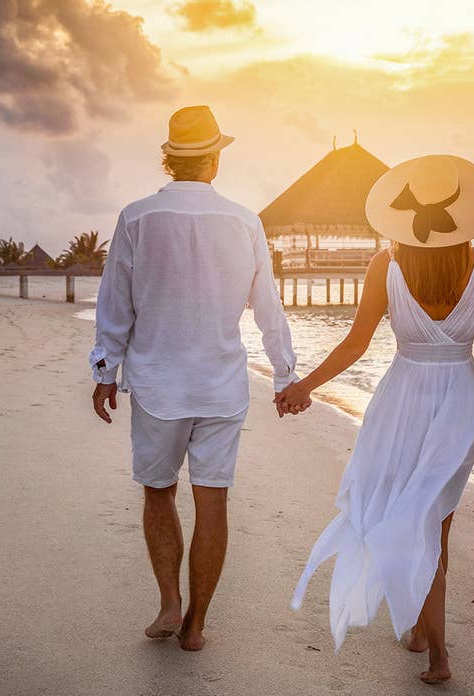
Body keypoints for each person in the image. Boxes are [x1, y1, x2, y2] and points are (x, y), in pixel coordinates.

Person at [278, 154, 474, 684]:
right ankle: (425, 633)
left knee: (414, 518)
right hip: (459, 399)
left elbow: (357, 343)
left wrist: (302, 387)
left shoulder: (388, 264)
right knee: (435, 518)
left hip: (402, 400)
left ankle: (439, 653)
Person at [89, 105, 300, 651]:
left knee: (159, 494)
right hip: (222, 387)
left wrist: (104, 371)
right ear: (215, 159)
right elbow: (267, 309)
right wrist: (284, 375)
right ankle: (196, 624)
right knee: (213, 502)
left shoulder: (136, 218)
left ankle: (169, 603)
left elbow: (116, 302)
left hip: (158, 384)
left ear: (168, 158)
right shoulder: (244, 220)